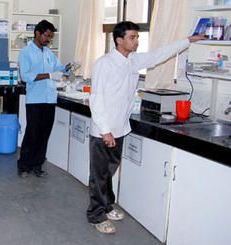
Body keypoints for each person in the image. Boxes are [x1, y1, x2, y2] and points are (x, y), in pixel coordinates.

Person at [87, 21, 205, 234]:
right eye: (132, 37)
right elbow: (96, 99)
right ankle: (96, 215)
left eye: (137, 37)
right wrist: (105, 130)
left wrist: (187, 40)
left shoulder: (133, 61)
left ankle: (106, 206)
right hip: (103, 130)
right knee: (99, 174)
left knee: (110, 171)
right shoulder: (104, 64)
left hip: (120, 128)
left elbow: (160, 54)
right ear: (119, 40)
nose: (136, 41)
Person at [17, 20, 66, 178]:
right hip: (35, 100)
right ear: (37, 33)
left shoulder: (49, 53)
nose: (48, 40)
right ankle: (24, 166)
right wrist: (50, 75)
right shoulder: (26, 52)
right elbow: (25, 76)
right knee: (32, 134)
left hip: (50, 99)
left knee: (44, 134)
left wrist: (67, 68)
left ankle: (37, 165)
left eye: (51, 37)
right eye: (47, 36)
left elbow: (58, 68)